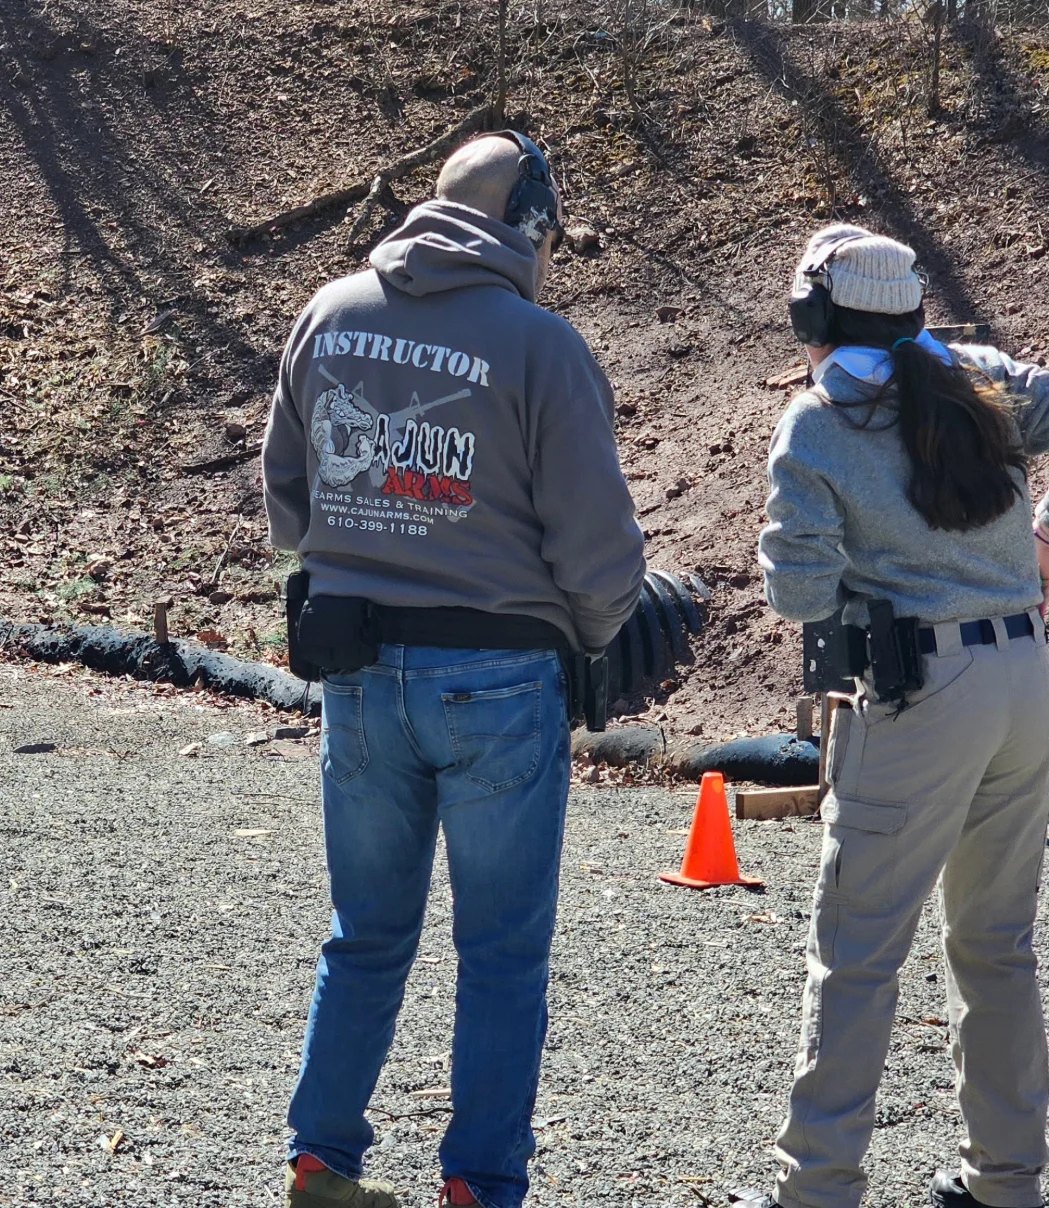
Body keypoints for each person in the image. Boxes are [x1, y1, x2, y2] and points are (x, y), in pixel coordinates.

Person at [262, 132, 646, 1208]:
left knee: (365, 934)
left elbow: (286, 499)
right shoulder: (540, 344)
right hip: (498, 674)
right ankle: (478, 1183)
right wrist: (593, 627)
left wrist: (366, 538)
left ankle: (320, 1160)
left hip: (355, 670)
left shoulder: (327, 312)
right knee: (501, 953)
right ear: (527, 224)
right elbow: (596, 547)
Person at [755, 225, 1049, 1208]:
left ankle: (816, 1189)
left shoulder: (817, 418)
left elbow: (796, 596)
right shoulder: (980, 376)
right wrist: (1048, 535)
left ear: (812, 315)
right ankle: (1005, 1181)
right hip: (1021, 686)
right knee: (995, 943)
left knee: (855, 954)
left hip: (917, 695)